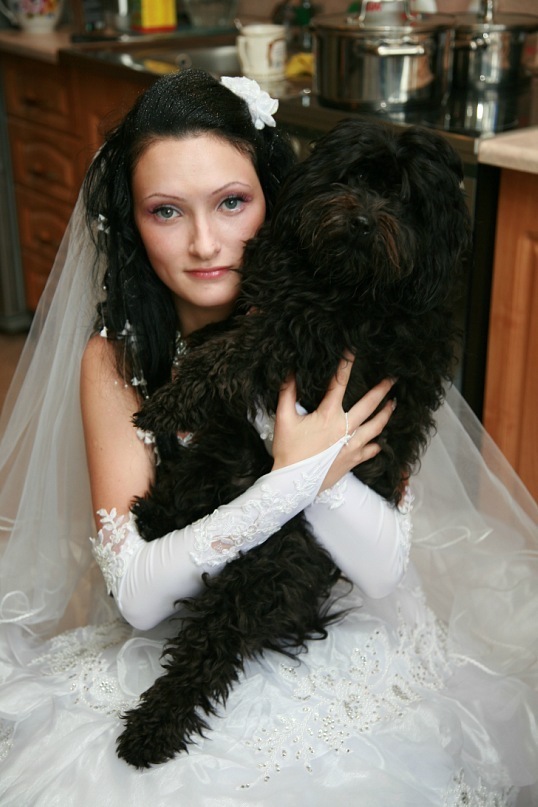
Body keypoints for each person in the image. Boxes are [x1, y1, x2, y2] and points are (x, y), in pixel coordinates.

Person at [0, 69, 536, 806]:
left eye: (231, 202)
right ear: (131, 223)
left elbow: (381, 570)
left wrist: (313, 472)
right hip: (178, 630)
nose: (204, 243)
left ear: (276, 197)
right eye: (166, 211)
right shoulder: (115, 359)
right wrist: (292, 475)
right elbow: (141, 600)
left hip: (331, 629)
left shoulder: (359, 320)